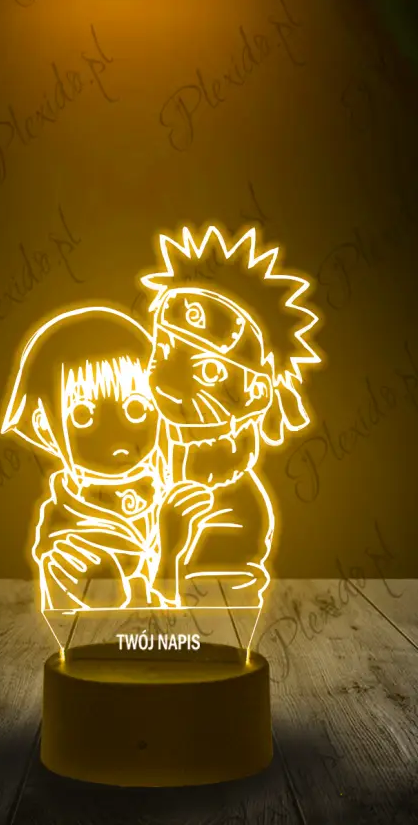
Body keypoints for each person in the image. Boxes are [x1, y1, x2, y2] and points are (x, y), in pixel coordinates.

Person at [140, 225, 321, 610]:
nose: (167, 380)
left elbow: (218, 610)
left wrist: (168, 560)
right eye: (165, 346)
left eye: (209, 370)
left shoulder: (238, 522)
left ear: (259, 392)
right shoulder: (143, 441)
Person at [0, 305, 215, 611]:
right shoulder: (67, 536)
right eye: (83, 416)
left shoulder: (163, 494)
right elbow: (105, 623)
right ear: (44, 425)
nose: (117, 433)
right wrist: (168, 558)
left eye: (137, 409)